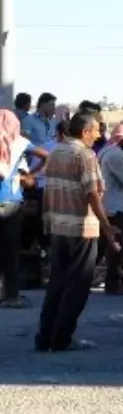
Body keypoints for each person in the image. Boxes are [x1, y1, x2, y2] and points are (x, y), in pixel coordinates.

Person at [36, 112, 120, 353]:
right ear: (85, 131)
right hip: (81, 227)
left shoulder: (56, 152)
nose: (98, 135)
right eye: (96, 130)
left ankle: (45, 337)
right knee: (78, 285)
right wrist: (106, 226)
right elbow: (92, 192)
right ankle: (62, 338)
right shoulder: (84, 155)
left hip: (57, 225)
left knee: (57, 283)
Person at [0, 108, 42, 309]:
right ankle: (11, 296)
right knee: (9, 251)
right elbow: (46, 156)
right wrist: (30, 175)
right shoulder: (20, 143)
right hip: (11, 202)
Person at [97, 124, 123, 295]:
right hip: (114, 206)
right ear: (122, 139)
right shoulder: (115, 155)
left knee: (102, 246)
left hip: (105, 204)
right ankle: (112, 283)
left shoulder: (105, 151)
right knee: (116, 246)